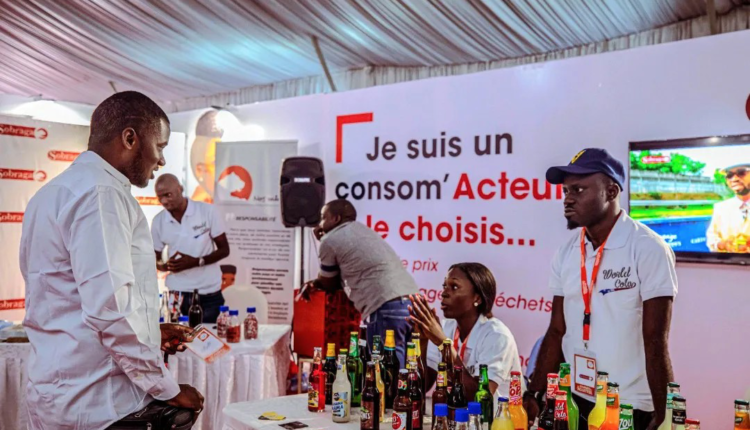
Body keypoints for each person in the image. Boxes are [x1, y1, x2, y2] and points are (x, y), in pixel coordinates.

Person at [20, 91, 204, 429]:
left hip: (58, 390)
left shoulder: (52, 192)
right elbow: (110, 309)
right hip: (99, 401)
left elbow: (70, 298)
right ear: (130, 138)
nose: (161, 160)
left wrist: (149, 332)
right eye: (160, 146)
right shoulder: (102, 193)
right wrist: (167, 389)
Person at [523, 148, 677, 430]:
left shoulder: (648, 248)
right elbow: (557, 330)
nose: (568, 198)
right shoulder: (566, 252)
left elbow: (656, 340)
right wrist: (534, 392)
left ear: (611, 191)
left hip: (627, 404)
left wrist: (664, 413)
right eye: (566, 191)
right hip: (575, 398)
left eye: (579, 189)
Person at [303, 199, 419, 365]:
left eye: (323, 218)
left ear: (336, 218)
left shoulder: (330, 240)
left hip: (384, 306)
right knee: (406, 367)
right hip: (411, 303)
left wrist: (322, 242)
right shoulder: (364, 231)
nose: (319, 224)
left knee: (384, 369)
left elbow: (329, 283)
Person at [408, 263, 524, 399]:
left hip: (498, 413)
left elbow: (479, 397)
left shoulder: (497, 336)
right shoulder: (445, 327)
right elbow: (421, 387)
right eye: (444, 286)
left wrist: (443, 343)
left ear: (477, 298)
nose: (444, 293)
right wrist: (423, 340)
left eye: (454, 287)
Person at [152, 173, 230, 323]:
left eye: (168, 195)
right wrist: (167, 265)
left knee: (208, 336)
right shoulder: (158, 221)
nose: (164, 201)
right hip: (177, 293)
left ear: (180, 189)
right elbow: (155, 259)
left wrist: (196, 261)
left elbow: (224, 250)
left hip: (208, 292)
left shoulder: (207, 211)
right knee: (178, 336)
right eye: (160, 197)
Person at [706, 162, 750, 253]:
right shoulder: (721, 208)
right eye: (729, 175)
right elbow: (712, 238)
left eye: (741, 173)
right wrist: (721, 245)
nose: (734, 179)